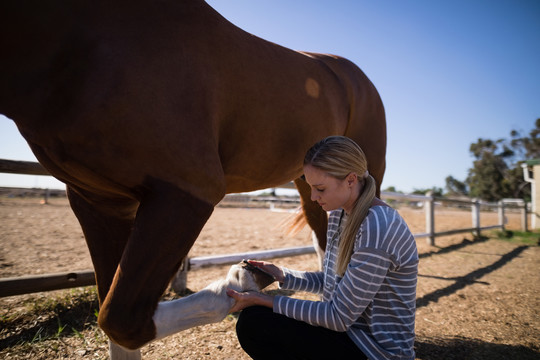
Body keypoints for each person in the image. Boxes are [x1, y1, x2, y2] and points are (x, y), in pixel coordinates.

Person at [227, 136, 418, 360]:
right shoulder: (339, 213)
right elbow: (333, 281)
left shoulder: (377, 227)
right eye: (310, 187)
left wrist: (262, 299)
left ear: (350, 180)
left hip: (376, 351)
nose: (313, 197)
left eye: (320, 188)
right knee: (255, 320)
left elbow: (338, 317)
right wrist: (283, 275)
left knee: (256, 323)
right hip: (349, 335)